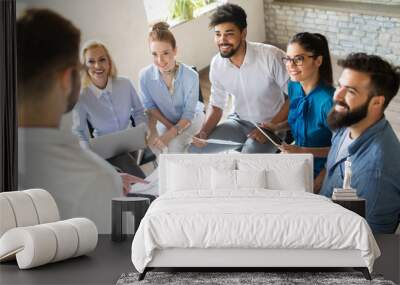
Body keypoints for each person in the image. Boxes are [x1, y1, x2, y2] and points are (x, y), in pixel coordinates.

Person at [17, 8, 147, 234]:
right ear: (67, 78)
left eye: (102, 60)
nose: (96, 67)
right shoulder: (96, 180)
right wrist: (109, 177)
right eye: (84, 65)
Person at [190, 3, 289, 153]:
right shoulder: (217, 64)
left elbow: (296, 96)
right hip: (238, 122)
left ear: (243, 33)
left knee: (247, 160)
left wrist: (271, 127)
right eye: (218, 34)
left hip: (270, 125)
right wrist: (203, 132)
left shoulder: (271, 56)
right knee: (195, 151)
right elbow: (217, 105)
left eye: (229, 34)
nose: (222, 40)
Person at [320, 53, 400, 234]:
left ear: (377, 102)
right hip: (324, 216)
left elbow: (371, 244)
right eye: (339, 86)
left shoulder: (376, 171)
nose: (337, 96)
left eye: (350, 91)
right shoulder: (347, 122)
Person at [264, 33, 334, 193]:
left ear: (318, 61)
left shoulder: (329, 102)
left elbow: (340, 150)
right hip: (297, 160)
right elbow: (298, 119)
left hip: (323, 169)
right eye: (288, 59)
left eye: (299, 59)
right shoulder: (294, 87)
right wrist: (276, 127)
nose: (290, 65)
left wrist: (318, 182)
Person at [72, 40, 147, 178]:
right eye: (91, 61)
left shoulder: (125, 83)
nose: (97, 66)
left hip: (131, 144)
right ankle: (146, 190)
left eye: (102, 60)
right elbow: (80, 132)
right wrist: (90, 156)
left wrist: (142, 131)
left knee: (123, 165)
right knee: (122, 161)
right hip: (105, 151)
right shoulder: (81, 97)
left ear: (109, 63)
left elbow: (138, 112)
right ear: (84, 66)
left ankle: (140, 191)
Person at [139, 22, 205, 153]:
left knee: (174, 145)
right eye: (154, 54)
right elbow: (150, 106)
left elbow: (188, 114)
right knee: (162, 148)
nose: (160, 60)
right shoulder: (144, 76)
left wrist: (172, 133)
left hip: (191, 119)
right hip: (165, 121)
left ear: (175, 50)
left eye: (165, 53)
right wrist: (170, 128)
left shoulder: (191, 76)